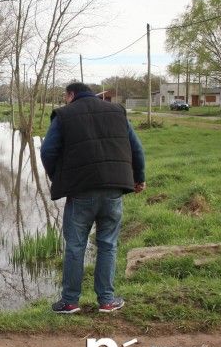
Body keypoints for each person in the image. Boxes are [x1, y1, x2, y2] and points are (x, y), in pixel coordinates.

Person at [40, 82, 146, 314]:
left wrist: (59, 177)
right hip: (114, 189)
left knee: (75, 246)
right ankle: (107, 301)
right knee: (108, 245)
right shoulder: (117, 111)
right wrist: (139, 178)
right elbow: (136, 148)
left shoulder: (64, 114)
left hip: (81, 191)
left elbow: (47, 151)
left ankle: (69, 302)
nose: (64, 101)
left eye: (65, 97)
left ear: (72, 95)